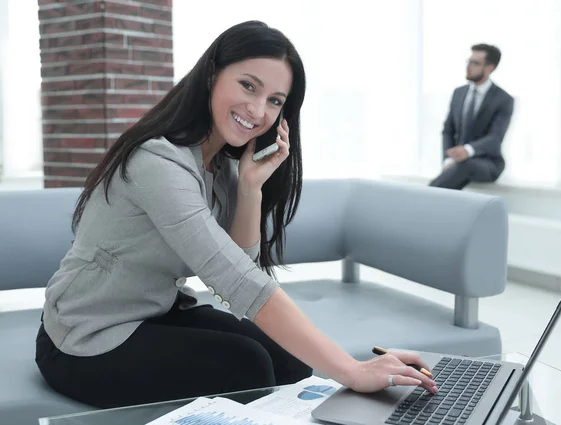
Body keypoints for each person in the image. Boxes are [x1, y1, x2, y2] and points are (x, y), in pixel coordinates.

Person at [35, 21, 438, 409]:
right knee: (246, 365)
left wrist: (249, 188)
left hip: (154, 312)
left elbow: (239, 274)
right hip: (84, 335)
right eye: (248, 86)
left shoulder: (222, 167)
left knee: (288, 359)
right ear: (212, 75)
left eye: (275, 101)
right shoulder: (156, 159)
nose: (259, 110)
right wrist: (351, 370)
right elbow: (239, 283)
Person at [429, 44, 514, 190]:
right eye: (468, 61)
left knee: (464, 165)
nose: (468, 66)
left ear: (490, 68)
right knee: (457, 171)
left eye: (475, 63)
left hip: (488, 163)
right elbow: (448, 130)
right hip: (457, 164)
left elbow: (495, 138)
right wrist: (448, 159)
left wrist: (467, 150)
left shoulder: (503, 99)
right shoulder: (459, 93)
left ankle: (427, 194)